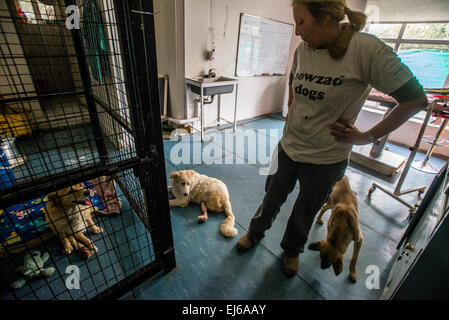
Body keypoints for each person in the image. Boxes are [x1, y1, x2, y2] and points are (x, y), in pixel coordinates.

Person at [236, 0, 428, 276]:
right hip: (288, 148)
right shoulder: (304, 50)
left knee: (307, 208)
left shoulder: (367, 50)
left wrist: (366, 137)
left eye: (301, 22)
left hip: (326, 158)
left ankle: (292, 250)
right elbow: (293, 78)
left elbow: (415, 100)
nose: (297, 32)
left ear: (325, 18)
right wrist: (292, 109)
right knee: (272, 196)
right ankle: (255, 233)